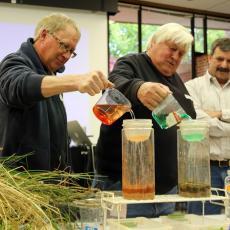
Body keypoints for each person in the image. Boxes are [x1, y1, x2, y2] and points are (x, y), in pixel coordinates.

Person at [94, 23, 196, 218]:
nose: (175, 57)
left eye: (181, 53)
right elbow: (112, 91)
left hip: (166, 191)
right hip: (124, 186)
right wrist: (138, 89)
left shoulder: (175, 79)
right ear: (153, 43)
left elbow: (188, 115)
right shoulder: (131, 63)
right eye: (172, 49)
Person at [0, 13, 113, 171]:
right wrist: (75, 81)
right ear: (44, 35)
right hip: (22, 184)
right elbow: (18, 86)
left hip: (51, 185)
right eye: (64, 46)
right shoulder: (14, 62)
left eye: (71, 51)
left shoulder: (51, 75)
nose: (66, 55)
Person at [185, 37, 230, 215]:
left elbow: (208, 124)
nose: (225, 65)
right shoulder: (191, 87)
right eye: (220, 59)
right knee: (200, 222)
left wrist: (219, 114)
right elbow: (197, 124)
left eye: (229, 61)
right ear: (210, 58)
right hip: (204, 170)